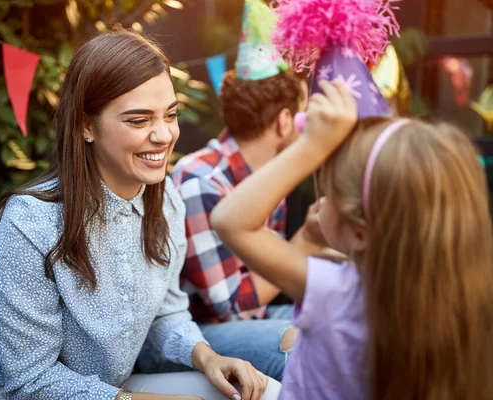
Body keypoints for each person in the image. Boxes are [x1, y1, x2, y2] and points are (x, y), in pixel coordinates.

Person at [0, 30, 281, 400]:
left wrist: (208, 358)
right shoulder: (29, 222)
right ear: (87, 126)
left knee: (263, 394)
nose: (164, 135)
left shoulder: (166, 204)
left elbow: (167, 314)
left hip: (115, 389)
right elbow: (29, 379)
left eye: (170, 115)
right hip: (35, 395)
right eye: (139, 121)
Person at [211, 79, 493, 399]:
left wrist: (313, 146)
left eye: (329, 191)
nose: (321, 199)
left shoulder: (336, 292)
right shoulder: (465, 298)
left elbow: (230, 220)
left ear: (360, 233)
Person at [137, 0, 306, 382]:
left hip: (245, 320)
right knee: (300, 347)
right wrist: (305, 243)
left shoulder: (268, 178)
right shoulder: (202, 184)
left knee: (344, 325)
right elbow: (231, 309)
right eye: (301, 113)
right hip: (188, 335)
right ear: (283, 121)